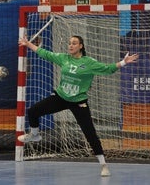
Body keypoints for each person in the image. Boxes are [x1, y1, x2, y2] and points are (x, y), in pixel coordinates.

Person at [18, 35, 139, 177]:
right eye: (69, 43)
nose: (70, 46)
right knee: (33, 111)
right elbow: (45, 53)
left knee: (90, 133)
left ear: (81, 46)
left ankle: (104, 165)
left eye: (74, 43)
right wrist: (28, 44)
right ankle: (34, 134)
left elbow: (108, 69)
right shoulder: (64, 58)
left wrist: (123, 62)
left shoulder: (89, 63)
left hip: (79, 101)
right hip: (61, 97)